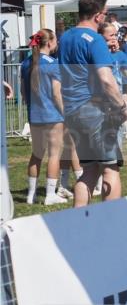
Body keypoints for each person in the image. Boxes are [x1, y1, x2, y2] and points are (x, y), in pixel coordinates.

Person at [59, 0, 127, 207]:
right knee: (110, 168)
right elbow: (106, 80)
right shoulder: (96, 40)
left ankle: (78, 222)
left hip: (73, 110)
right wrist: (121, 106)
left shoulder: (65, 38)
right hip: (96, 111)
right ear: (98, 16)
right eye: (106, 14)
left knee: (88, 170)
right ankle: (111, 222)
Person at [24, 30, 66, 205]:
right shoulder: (53, 63)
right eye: (55, 40)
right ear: (49, 43)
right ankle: (50, 195)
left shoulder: (25, 63)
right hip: (52, 115)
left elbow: (23, 92)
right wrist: (65, 112)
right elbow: (57, 94)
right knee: (54, 154)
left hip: (35, 114)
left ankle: (30, 195)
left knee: (36, 154)